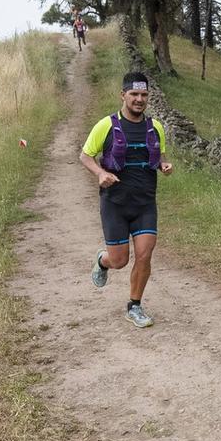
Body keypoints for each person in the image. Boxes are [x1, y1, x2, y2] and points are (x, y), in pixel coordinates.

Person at [80, 72, 173, 327]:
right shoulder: (106, 125)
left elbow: (161, 156)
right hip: (115, 204)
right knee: (120, 261)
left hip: (144, 203)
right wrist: (100, 173)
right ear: (123, 95)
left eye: (143, 95)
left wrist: (165, 165)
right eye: (134, 94)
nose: (139, 99)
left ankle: (134, 306)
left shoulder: (156, 127)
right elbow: (85, 156)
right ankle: (103, 260)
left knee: (144, 255)